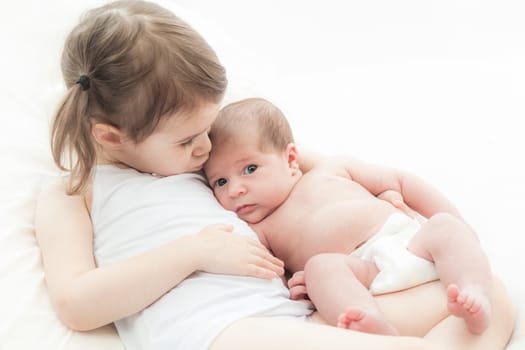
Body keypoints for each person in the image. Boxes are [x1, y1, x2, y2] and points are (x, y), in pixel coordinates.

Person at [33, 1, 514, 350]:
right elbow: (77, 303)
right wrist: (193, 252)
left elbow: (304, 166)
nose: (205, 148)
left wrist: (382, 199)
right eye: (186, 141)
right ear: (112, 136)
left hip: (300, 316)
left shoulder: (206, 157)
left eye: (208, 127)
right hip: (223, 330)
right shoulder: (75, 192)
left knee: (491, 297)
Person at [204, 97, 497, 336]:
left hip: (412, 245)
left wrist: (457, 222)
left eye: (250, 169)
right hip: (362, 275)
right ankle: (370, 325)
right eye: (220, 182)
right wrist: (301, 286)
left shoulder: (332, 169)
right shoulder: (259, 231)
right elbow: (274, 279)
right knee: (321, 268)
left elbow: (402, 182)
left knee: (445, 227)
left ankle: (475, 293)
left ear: (291, 159)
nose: (236, 190)